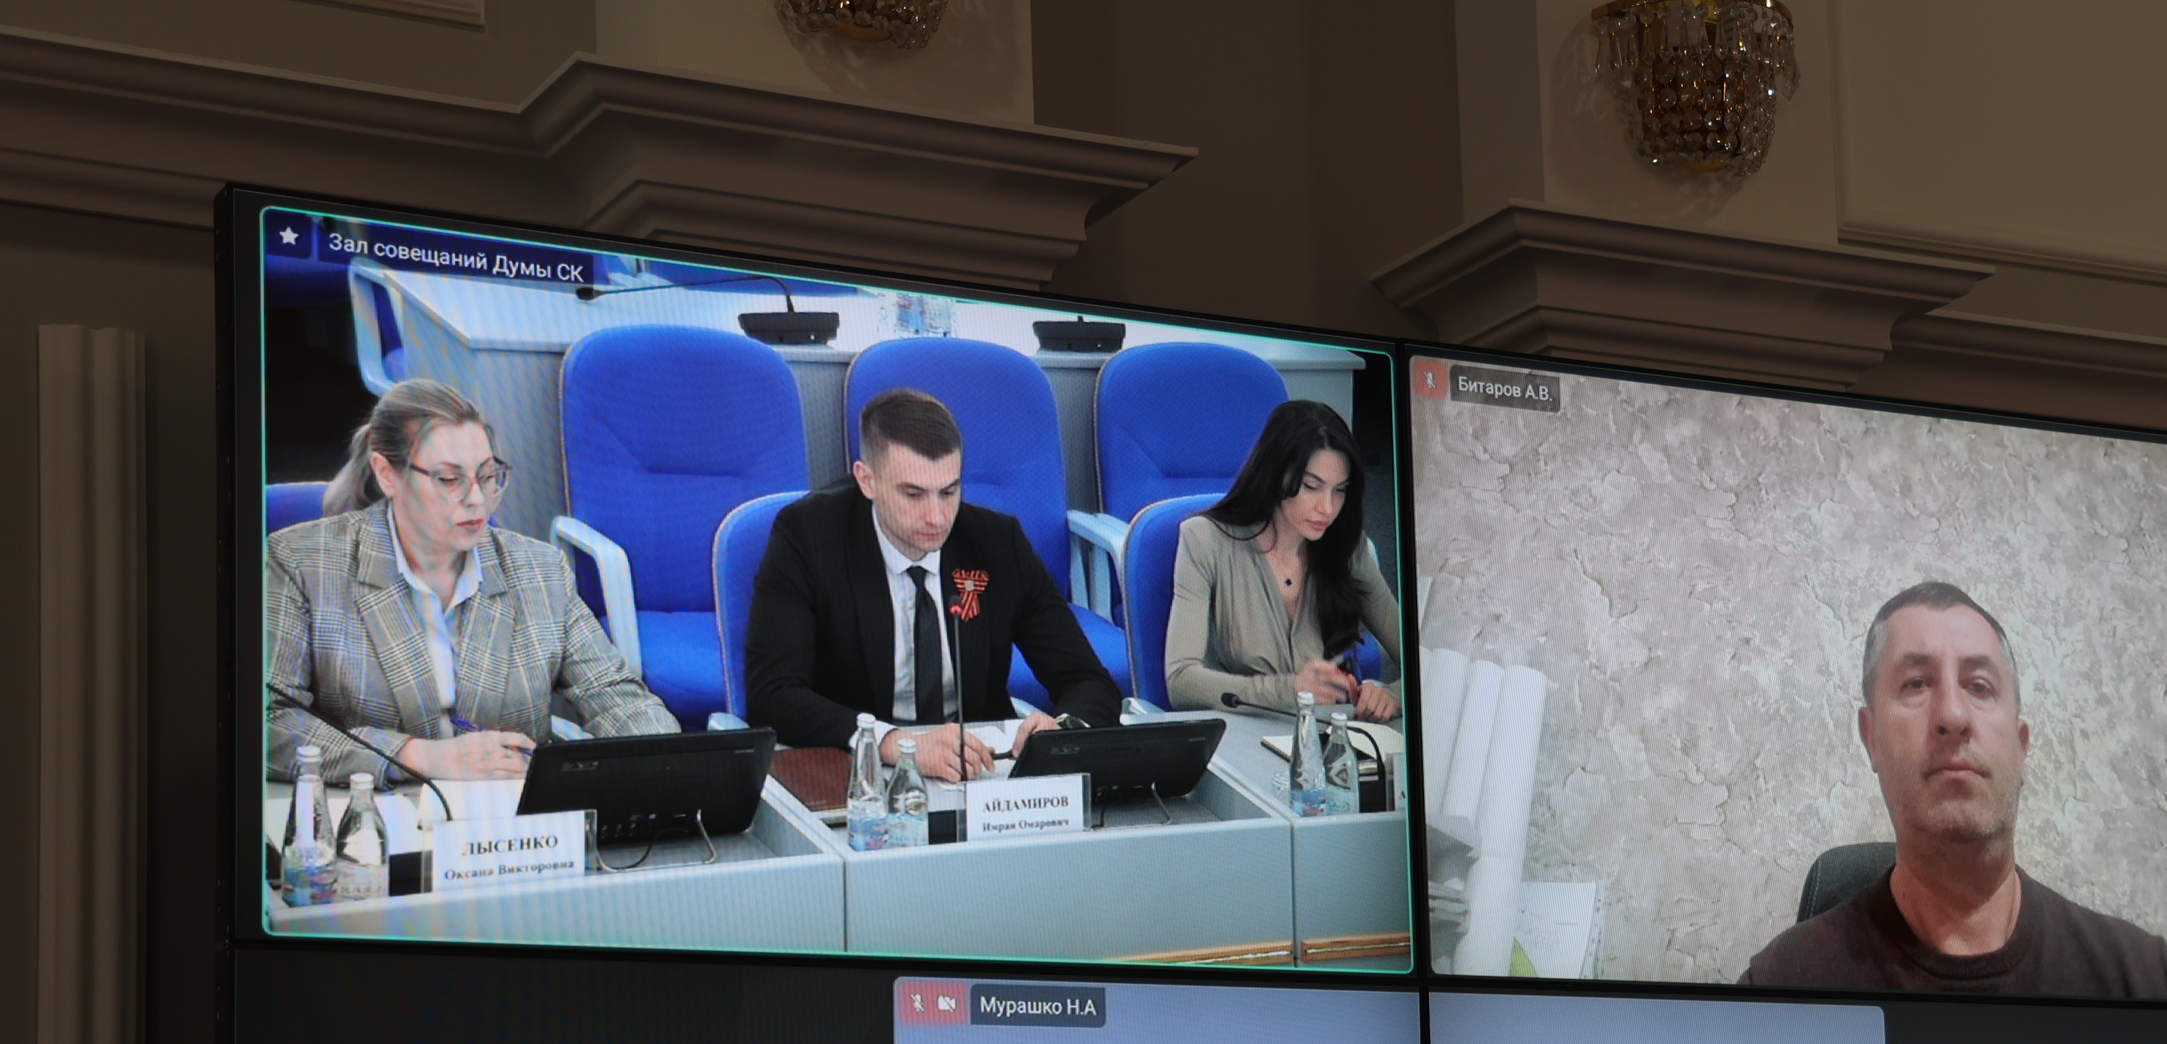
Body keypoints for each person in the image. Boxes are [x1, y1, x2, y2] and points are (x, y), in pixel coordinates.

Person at [1739, 582, 2167, 998]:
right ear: (1872, 738)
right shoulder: (1785, 989)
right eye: (1917, 683)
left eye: (1980, 686)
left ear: (2021, 745)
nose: (1953, 715)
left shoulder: (2146, 983)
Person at [266, 379, 678, 784]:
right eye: (450, 480)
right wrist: (417, 756)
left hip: (510, 816)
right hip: (374, 811)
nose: (478, 499)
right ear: (387, 474)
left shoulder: (540, 570)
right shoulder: (303, 563)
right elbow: (267, 722)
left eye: (488, 475)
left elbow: (613, 694)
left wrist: (671, 764)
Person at [742, 387, 1120, 781]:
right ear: (867, 481)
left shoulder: (996, 543)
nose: (937, 517)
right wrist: (897, 744)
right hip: (856, 772)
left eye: (948, 492)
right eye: (913, 494)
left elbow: (1087, 680)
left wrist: (1062, 732)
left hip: (977, 773)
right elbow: (772, 695)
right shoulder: (808, 537)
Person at [1164, 399, 1404, 720]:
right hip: (1243, 733)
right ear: (1275, 475)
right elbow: (1180, 682)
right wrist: (1289, 690)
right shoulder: (1204, 540)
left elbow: (1424, 661)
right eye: (1311, 487)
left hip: (1324, 736)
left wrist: (1393, 696)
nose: (1327, 508)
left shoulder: (1348, 546)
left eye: (1340, 490)